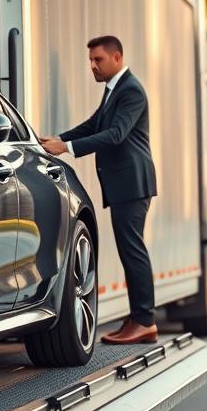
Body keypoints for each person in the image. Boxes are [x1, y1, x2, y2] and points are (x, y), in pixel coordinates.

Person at [41, 35, 158, 345]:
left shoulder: (131, 90)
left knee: (133, 251)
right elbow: (94, 125)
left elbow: (115, 135)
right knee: (128, 250)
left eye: (98, 60)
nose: (92, 66)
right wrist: (56, 139)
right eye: (90, 61)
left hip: (132, 183)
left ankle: (145, 321)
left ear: (117, 57)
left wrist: (66, 148)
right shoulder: (115, 89)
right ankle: (137, 318)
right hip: (123, 184)